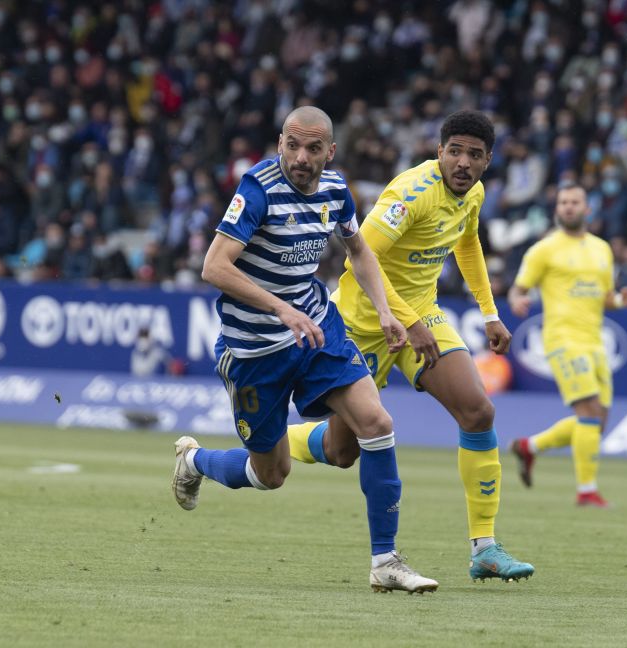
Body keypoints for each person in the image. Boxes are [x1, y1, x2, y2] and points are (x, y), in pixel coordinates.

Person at [170, 106, 437, 594]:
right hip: (253, 350)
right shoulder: (258, 189)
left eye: (313, 148)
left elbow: (359, 250)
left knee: (375, 426)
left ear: (329, 152)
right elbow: (215, 266)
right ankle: (195, 461)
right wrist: (280, 310)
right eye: (292, 145)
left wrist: (384, 310)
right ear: (279, 144)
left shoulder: (336, 191)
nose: (301, 156)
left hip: (316, 330)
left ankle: (386, 561)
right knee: (271, 474)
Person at [285, 110, 534, 583]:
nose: (463, 163)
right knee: (343, 452)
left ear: (487, 161)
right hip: (361, 322)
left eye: (474, 155)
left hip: (419, 315)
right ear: (438, 152)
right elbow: (362, 259)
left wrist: (489, 312)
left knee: (478, 412)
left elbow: (468, 242)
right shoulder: (409, 194)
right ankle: (276, 442)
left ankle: (485, 547)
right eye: (455, 151)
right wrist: (407, 319)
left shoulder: (473, 194)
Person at [508, 183, 627, 507]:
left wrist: (623, 299)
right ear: (557, 209)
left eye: (574, 202)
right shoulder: (544, 249)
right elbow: (518, 288)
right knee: (589, 413)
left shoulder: (602, 249)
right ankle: (586, 491)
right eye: (562, 202)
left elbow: (606, 297)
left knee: (596, 424)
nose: (567, 207)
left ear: (587, 209)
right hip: (563, 339)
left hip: (596, 342)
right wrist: (518, 300)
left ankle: (529, 447)